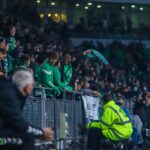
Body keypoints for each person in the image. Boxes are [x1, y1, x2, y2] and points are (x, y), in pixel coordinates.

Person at [0, 70, 53, 150]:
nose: (32, 87)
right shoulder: (9, 97)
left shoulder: (11, 93)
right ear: (26, 86)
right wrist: (41, 132)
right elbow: (17, 124)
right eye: (32, 85)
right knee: (26, 138)